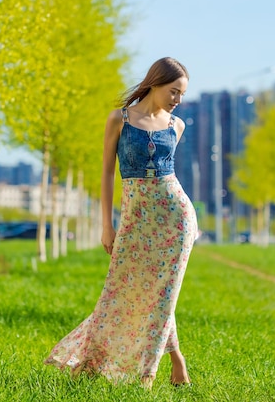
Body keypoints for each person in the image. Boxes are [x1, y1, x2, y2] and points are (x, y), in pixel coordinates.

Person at [44, 57, 198, 389]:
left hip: (176, 218)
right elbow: (106, 173)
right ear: (155, 83)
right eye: (174, 92)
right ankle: (91, 360)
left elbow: (167, 176)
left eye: (182, 94)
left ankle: (152, 370)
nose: (178, 100)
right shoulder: (120, 119)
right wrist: (106, 225)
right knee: (120, 292)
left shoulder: (176, 125)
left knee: (164, 292)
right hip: (134, 219)